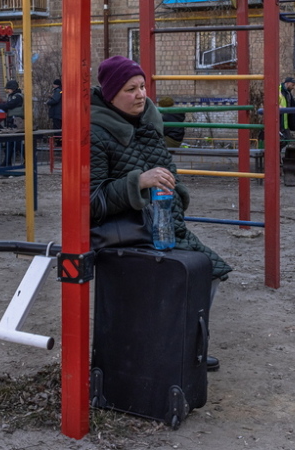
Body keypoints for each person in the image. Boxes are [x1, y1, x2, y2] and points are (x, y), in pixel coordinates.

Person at [89, 55, 231, 371]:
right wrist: (137, 182)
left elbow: (166, 171)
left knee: (209, 272)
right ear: (111, 93)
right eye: (130, 89)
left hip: (161, 225)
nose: (140, 94)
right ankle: (169, 349)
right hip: (123, 231)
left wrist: (176, 194)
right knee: (187, 273)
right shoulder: (96, 133)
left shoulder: (149, 123)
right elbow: (90, 202)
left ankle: (181, 346)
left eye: (142, 86)